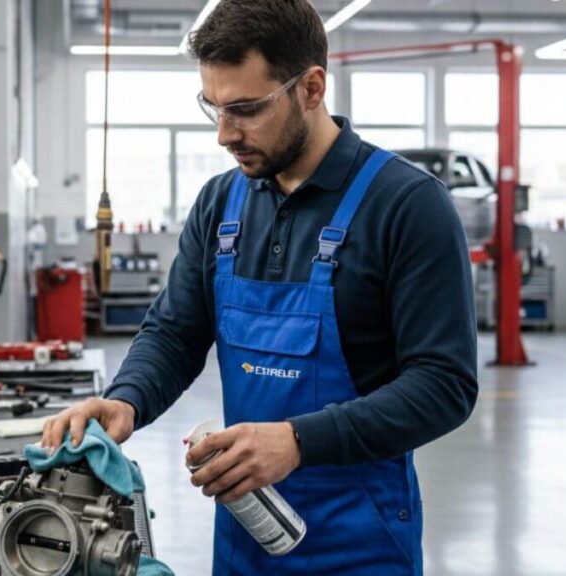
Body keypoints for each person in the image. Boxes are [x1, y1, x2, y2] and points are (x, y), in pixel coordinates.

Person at [41, 1, 477, 573]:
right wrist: (127, 399)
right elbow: (175, 331)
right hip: (247, 534)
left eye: (245, 109)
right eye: (213, 108)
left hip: (359, 539)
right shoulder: (221, 203)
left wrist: (297, 441)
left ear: (312, 88)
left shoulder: (407, 205)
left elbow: (444, 384)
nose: (225, 133)